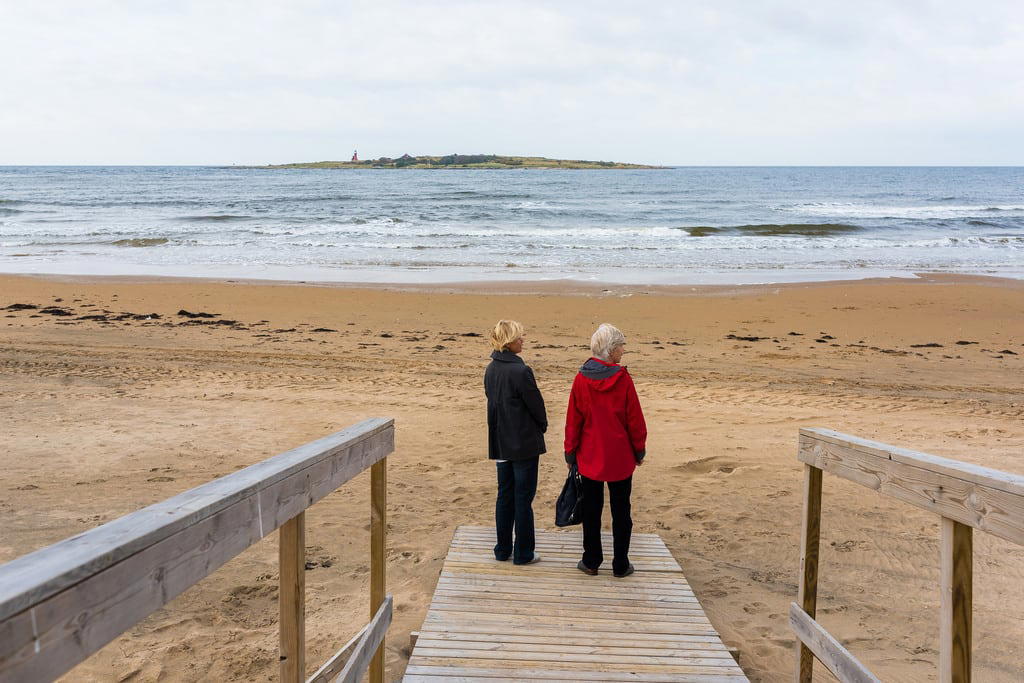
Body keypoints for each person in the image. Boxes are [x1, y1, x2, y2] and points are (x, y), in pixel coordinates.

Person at [564, 323, 647, 578]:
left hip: (590, 456)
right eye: (621, 345)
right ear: (611, 350)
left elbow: (573, 420)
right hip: (619, 457)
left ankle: (591, 561)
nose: (623, 350)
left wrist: (570, 451)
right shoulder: (622, 379)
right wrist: (639, 449)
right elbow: (635, 419)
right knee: (621, 510)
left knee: (592, 510)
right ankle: (620, 564)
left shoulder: (582, 379)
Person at [484, 319, 547, 565]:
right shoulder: (520, 371)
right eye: (519, 337)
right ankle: (523, 553)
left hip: (501, 441)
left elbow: (493, 399)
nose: (523, 340)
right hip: (522, 443)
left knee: (505, 495)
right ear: (509, 342)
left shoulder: (491, 369)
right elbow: (536, 405)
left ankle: (502, 549)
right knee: (522, 498)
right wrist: (542, 426)